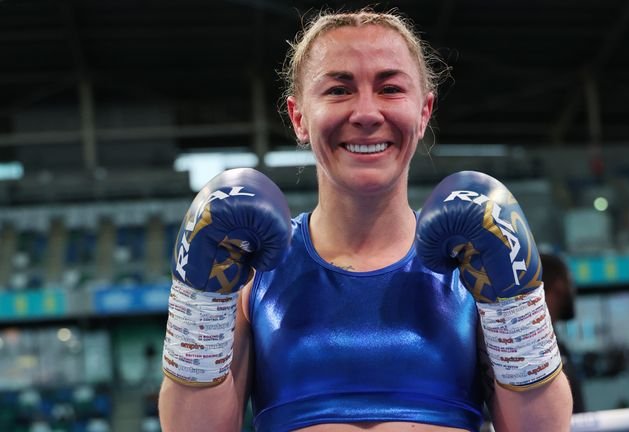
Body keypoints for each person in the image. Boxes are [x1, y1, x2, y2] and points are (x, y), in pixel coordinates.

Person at [158, 8, 573, 432]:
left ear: (424, 111)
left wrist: (517, 306)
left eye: (390, 88)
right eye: (339, 90)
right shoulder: (253, 273)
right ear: (299, 116)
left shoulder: (473, 265)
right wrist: (198, 304)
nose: (367, 113)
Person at [540, 252, 586, 413]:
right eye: (569, 280)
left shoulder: (560, 346)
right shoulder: (532, 347)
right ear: (559, 285)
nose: (572, 289)